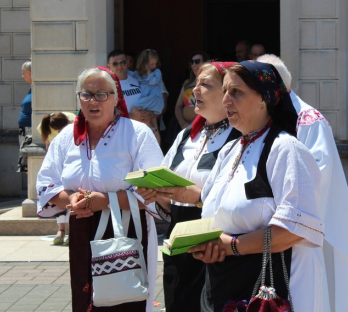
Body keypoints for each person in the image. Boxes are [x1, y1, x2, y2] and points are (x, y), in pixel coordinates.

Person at [189, 61, 324, 311]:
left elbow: (294, 230)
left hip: (267, 293)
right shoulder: (230, 149)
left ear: (264, 98)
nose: (226, 100)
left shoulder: (286, 150)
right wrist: (206, 246)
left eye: (236, 92)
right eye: (225, 91)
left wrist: (231, 246)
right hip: (221, 286)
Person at [36, 67, 164, 312]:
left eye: (102, 94)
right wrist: (72, 199)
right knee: (87, 300)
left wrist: (105, 201)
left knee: (126, 300)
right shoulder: (66, 138)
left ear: (116, 98)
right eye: (86, 94)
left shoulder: (136, 134)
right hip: (83, 228)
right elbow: (45, 184)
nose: (93, 101)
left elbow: (156, 189)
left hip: (128, 230)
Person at [257, 54, 348, 312]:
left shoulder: (308, 120)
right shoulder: (260, 120)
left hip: (300, 231)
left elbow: (318, 175)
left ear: (280, 87)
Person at [138, 62, 241, 312]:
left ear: (227, 93)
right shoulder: (186, 136)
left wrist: (197, 197)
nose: (195, 90)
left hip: (215, 243)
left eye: (205, 84)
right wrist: (156, 193)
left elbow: (239, 198)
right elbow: (170, 191)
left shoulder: (239, 137)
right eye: (195, 84)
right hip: (179, 237)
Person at [37, 111, 76, 245]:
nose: (59, 132)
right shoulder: (46, 124)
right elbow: (48, 145)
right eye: (57, 130)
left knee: (72, 198)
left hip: (70, 163)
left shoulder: (72, 121)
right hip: (57, 164)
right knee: (58, 197)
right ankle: (61, 230)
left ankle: (72, 231)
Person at [130, 49, 165, 143]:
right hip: (147, 101)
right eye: (151, 64)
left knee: (133, 108)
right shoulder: (138, 74)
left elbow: (153, 81)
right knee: (152, 122)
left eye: (155, 64)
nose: (153, 66)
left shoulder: (156, 72)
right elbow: (131, 74)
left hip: (153, 100)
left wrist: (149, 71)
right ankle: (153, 133)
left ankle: (153, 135)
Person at [174, 51, 210, 129]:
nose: (194, 65)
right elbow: (178, 106)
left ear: (206, 63)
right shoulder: (187, 83)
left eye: (197, 61)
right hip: (185, 127)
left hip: (203, 125)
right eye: (192, 62)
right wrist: (182, 123)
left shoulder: (210, 82)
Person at [17, 60, 32, 173]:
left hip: (30, 131)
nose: (22, 76)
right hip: (25, 130)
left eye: (23, 73)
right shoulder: (32, 88)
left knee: (29, 162)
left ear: (30, 73)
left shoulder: (37, 88)